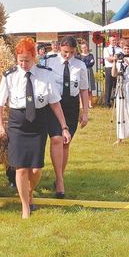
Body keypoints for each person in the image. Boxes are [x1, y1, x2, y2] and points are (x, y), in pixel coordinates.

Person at [0, 37, 71, 218]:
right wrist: (0, 125)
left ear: (34, 57)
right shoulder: (9, 76)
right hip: (17, 124)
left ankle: (29, 193)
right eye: (20, 60)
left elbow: (55, 103)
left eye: (27, 60)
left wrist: (64, 126)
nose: (23, 64)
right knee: (21, 168)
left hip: (38, 123)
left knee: (36, 169)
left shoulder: (46, 74)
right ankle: (25, 207)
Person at [45, 36, 89, 198]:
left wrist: (85, 112)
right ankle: (60, 181)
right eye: (65, 52)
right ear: (59, 48)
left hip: (71, 107)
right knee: (56, 139)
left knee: (65, 142)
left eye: (71, 53)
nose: (67, 55)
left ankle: (59, 177)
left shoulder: (81, 65)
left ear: (75, 51)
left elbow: (84, 89)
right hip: (54, 105)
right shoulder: (50, 62)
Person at [103, 36, 122, 108]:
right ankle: (107, 103)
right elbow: (108, 59)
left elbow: (121, 58)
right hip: (109, 68)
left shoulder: (119, 49)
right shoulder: (106, 49)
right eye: (113, 40)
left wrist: (113, 58)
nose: (114, 41)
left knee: (117, 85)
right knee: (108, 86)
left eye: (115, 40)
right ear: (109, 41)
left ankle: (116, 102)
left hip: (117, 68)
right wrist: (114, 58)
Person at [79, 41, 96, 108]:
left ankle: (90, 103)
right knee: (81, 89)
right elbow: (81, 64)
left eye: (85, 47)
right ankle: (81, 104)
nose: (84, 49)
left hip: (89, 72)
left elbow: (92, 63)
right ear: (81, 48)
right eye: (83, 48)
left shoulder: (91, 55)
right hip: (82, 72)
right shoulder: (79, 56)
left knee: (89, 89)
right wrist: (88, 63)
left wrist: (85, 64)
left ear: (87, 48)